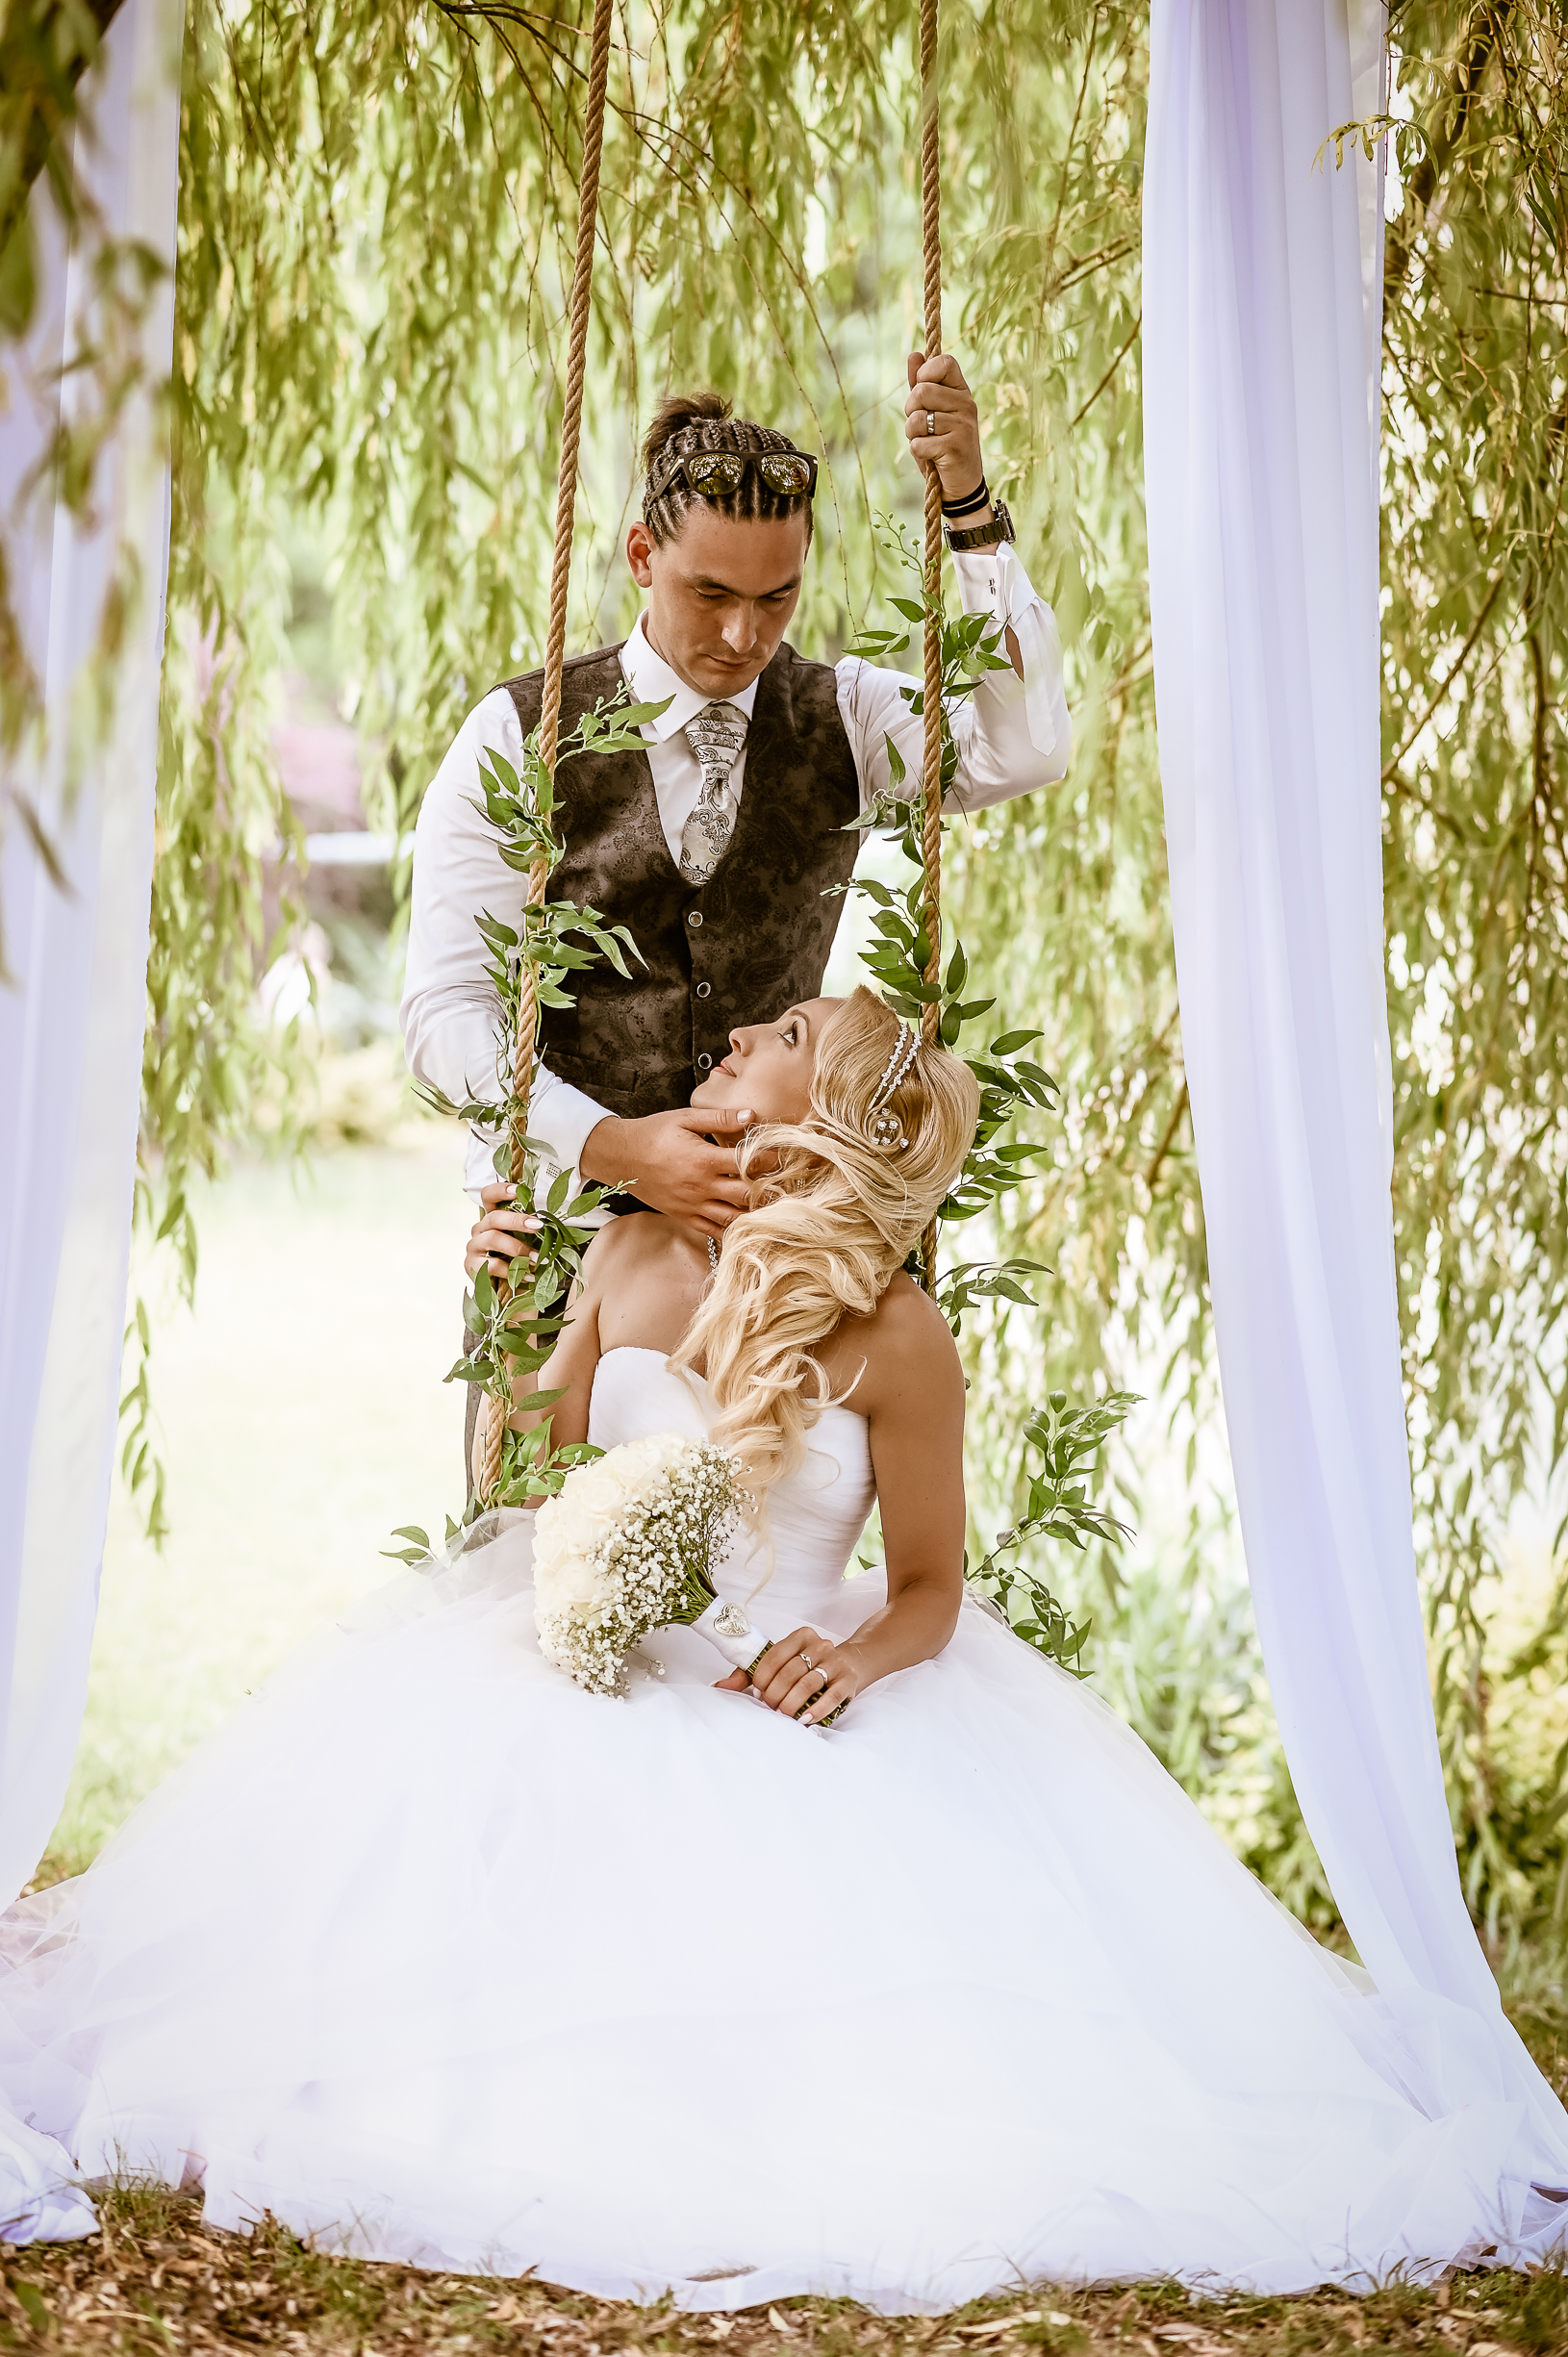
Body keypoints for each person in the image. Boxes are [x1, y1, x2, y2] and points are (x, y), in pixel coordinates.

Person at [3, 988, 1565, 2299]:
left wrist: (858, 1658)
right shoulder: (624, 1254)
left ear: (840, 1115)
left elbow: (932, 1581)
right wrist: (503, 1324)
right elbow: (520, 1489)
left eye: (789, 1034)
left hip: (788, 1693)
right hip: (602, 1664)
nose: (743, 1031)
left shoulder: (896, 1332)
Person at [400, 352, 1071, 1246]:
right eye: (709, 592)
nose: (742, 633)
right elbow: (444, 1015)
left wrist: (972, 514)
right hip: (559, 1247)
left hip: (777, 1259)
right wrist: (612, 1145)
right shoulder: (519, 734)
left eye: (776, 596)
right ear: (643, 555)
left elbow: (1024, 748)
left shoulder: (849, 715)